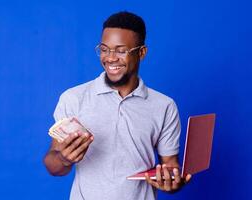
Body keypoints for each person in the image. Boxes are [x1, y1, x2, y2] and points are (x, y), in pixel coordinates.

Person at [44, 11, 191, 200]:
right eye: (104, 49)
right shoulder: (74, 98)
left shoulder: (164, 106)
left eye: (121, 51)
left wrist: (172, 183)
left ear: (141, 52)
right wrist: (64, 159)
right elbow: (53, 166)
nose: (110, 58)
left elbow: (170, 167)